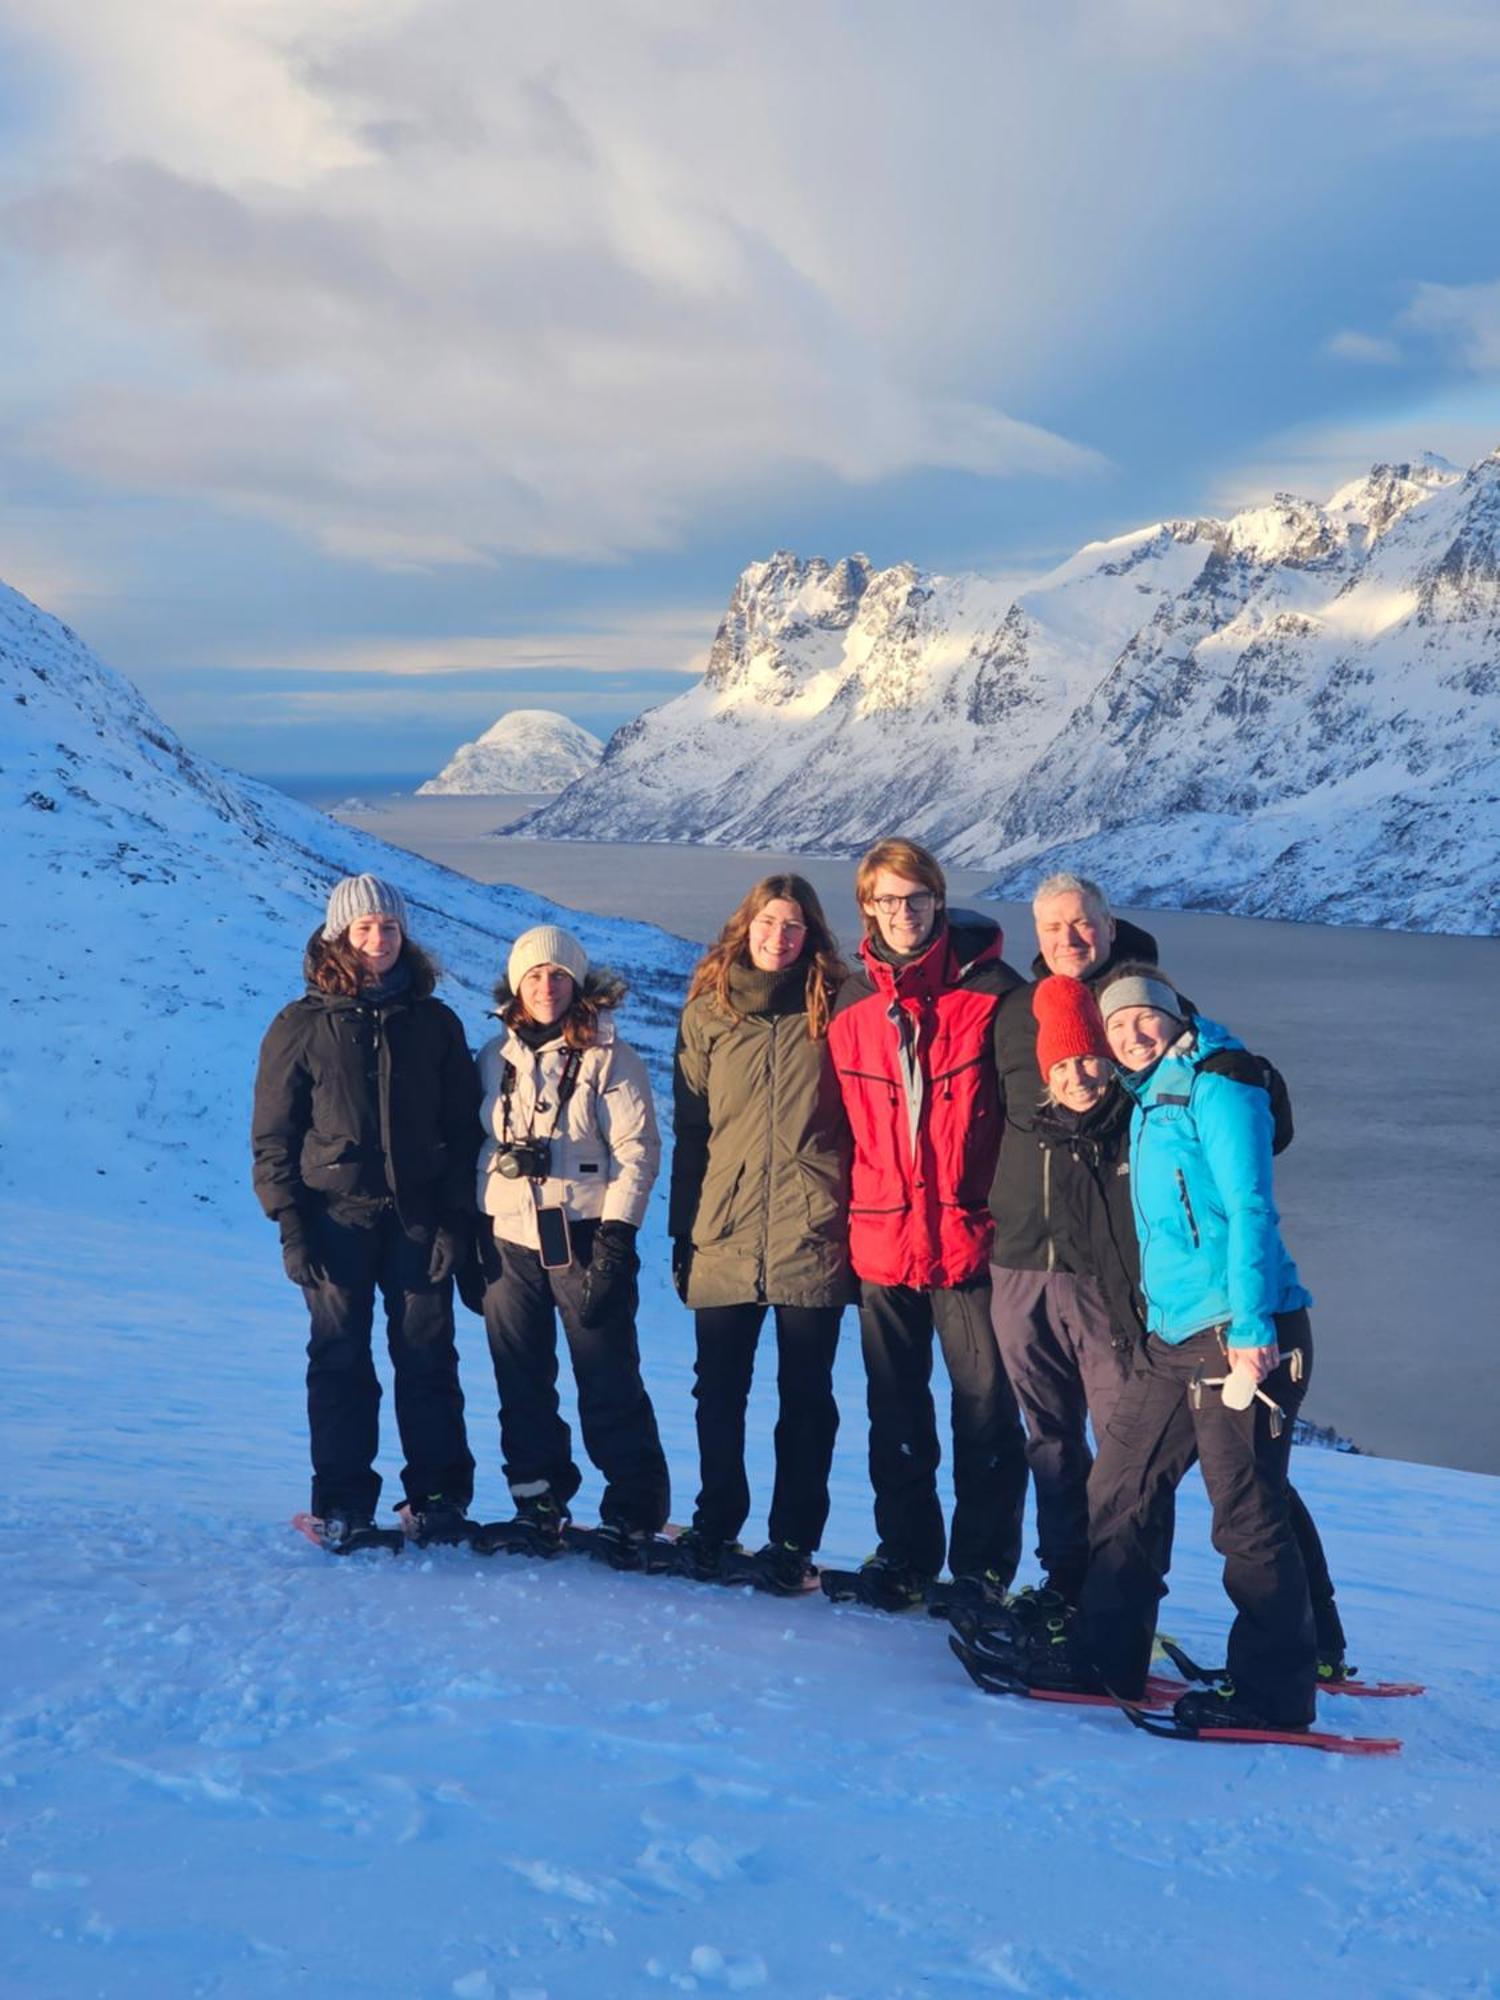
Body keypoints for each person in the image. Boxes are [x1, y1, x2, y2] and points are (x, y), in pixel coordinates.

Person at [995, 969, 1322, 1733]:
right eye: (1117, 1027)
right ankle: (1105, 1655)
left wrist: (1250, 1330)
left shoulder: (1220, 1086)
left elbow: (1248, 1208)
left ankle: (1274, 1691)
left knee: (1243, 1512)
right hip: (1171, 1340)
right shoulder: (1143, 1101)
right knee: (1120, 1485)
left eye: (1145, 1018)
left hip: (1242, 1333)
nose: (1133, 1034)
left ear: (1174, 1017)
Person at [825, 838, 1030, 1610]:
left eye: (915, 898)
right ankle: (905, 1553)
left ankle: (981, 1568)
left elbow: (1025, 1122)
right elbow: (840, 1132)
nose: (902, 913)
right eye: (886, 900)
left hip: (972, 1240)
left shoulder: (995, 994)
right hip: (883, 1241)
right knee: (895, 1412)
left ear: (939, 901)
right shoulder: (852, 1004)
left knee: (985, 1412)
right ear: (867, 909)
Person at [251, 873, 480, 1553]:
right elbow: (274, 1136)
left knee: (428, 1358)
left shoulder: (434, 1022)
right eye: (365, 928)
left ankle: (438, 1497)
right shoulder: (301, 1025)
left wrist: (455, 1220)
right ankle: (344, 1501)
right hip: (335, 1218)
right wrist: (291, 1224)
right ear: (338, 936)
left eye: (390, 928)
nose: (379, 940)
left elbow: (464, 1130)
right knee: (341, 1359)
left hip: (418, 1216)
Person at [668, 876, 851, 1594]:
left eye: (796, 925)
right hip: (726, 1224)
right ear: (745, 926)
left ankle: (792, 1540)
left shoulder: (839, 1010)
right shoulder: (707, 1016)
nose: (781, 936)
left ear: (812, 936)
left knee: (806, 1396)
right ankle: (716, 1523)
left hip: (813, 1224)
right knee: (719, 1390)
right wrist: (684, 1232)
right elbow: (692, 1132)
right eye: (770, 922)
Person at [987, 873, 1165, 1607]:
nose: (1069, 938)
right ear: (1036, 936)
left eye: (1082, 923)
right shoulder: (1014, 1014)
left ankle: (1122, 1601)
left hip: (1107, 1270)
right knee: (1049, 1440)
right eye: (1054, 927)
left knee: (1124, 1448)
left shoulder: (1146, 1008)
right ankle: (1064, 1587)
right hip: (1021, 1257)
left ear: (1109, 926)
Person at [470, 924, 669, 1567]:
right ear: (515, 984)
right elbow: (482, 1150)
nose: (546, 986)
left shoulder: (613, 1059)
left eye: (558, 975)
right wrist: (478, 1222)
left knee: (606, 1376)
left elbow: (638, 1155)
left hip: (585, 1232)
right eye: (533, 975)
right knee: (520, 1375)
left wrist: (617, 1237)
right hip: (509, 1235)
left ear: (578, 984)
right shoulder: (492, 1058)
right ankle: (538, 1500)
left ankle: (633, 1511)